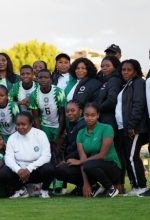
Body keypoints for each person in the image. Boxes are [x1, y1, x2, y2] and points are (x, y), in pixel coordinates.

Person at [56, 103, 121, 198]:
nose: (89, 118)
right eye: (87, 115)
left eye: (93, 115)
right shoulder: (81, 134)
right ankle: (94, 187)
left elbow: (102, 155)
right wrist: (86, 184)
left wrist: (80, 161)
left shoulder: (107, 128)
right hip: (91, 167)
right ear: (83, 115)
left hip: (111, 167)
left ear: (98, 115)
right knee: (61, 169)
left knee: (88, 165)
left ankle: (111, 188)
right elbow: (83, 160)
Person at [0, 112, 54, 199]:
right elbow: (8, 158)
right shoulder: (12, 138)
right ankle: (21, 191)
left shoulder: (40, 134)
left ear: (31, 124)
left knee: (49, 168)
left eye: (23, 124)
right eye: (18, 124)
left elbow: (46, 156)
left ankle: (44, 191)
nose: (20, 127)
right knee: (2, 173)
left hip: (36, 170)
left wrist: (29, 169)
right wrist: (18, 170)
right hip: (19, 173)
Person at [115, 59, 149, 196]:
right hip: (125, 127)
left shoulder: (138, 83)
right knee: (130, 157)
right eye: (123, 69)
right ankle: (135, 187)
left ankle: (141, 187)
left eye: (129, 69)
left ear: (135, 71)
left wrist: (132, 126)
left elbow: (138, 104)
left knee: (131, 157)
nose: (125, 72)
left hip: (135, 128)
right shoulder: (128, 84)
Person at [94, 56, 123, 191]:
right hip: (105, 121)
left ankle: (119, 184)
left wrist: (95, 110)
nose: (104, 68)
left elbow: (112, 101)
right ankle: (111, 184)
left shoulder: (114, 80)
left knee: (114, 154)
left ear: (115, 67)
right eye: (102, 66)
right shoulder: (106, 80)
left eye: (107, 65)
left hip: (110, 122)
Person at [29, 69, 66, 163]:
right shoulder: (33, 95)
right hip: (44, 125)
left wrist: (59, 136)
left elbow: (62, 115)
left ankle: (60, 173)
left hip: (58, 125)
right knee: (46, 152)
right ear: (37, 79)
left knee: (59, 150)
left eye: (46, 77)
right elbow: (36, 117)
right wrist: (41, 134)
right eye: (40, 77)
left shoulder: (59, 92)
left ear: (51, 79)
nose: (43, 80)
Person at [54, 100, 86, 196]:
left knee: (60, 170)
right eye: (67, 111)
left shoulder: (83, 125)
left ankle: (91, 185)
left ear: (80, 112)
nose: (69, 113)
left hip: (84, 162)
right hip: (74, 160)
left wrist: (66, 160)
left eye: (73, 110)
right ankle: (80, 186)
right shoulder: (71, 124)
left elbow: (82, 149)